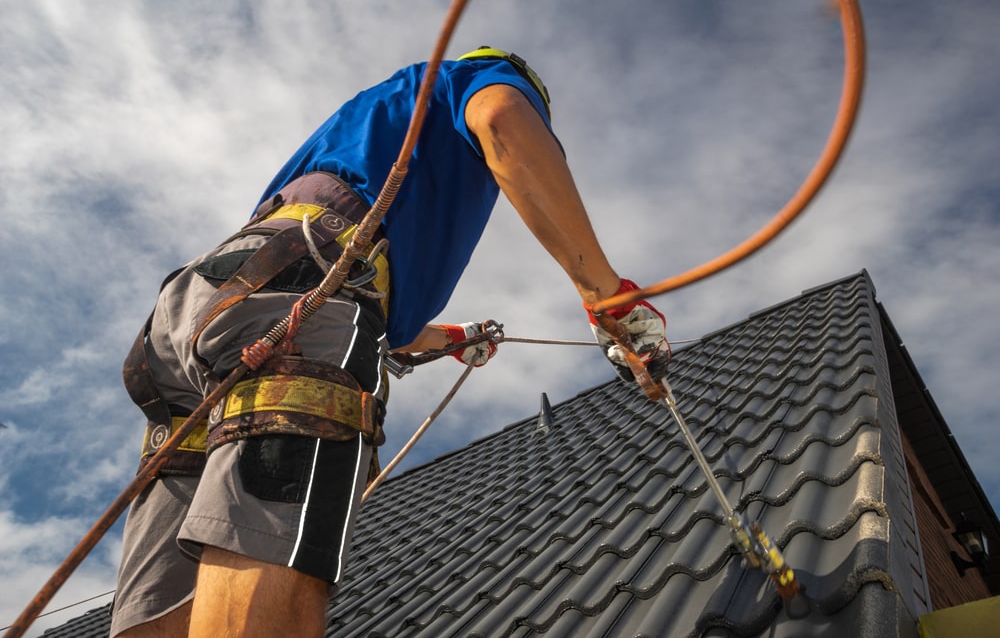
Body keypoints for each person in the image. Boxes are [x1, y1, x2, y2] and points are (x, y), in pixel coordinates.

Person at [110, 46, 670, 637]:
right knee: (263, 539)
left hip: (212, 301)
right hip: (307, 291)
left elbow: (361, 313)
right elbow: (502, 117)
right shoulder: (474, 78)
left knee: (167, 600)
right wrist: (607, 297)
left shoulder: (366, 118)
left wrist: (454, 339)